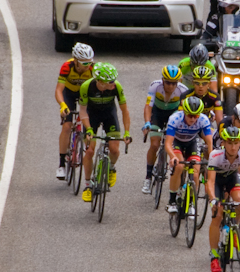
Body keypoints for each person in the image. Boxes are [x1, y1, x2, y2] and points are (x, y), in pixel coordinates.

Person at [205, 125, 240, 272]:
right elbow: (210, 182)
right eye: (229, 143)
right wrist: (213, 200)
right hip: (217, 181)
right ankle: (214, 256)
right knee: (218, 214)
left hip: (232, 177)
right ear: (223, 143)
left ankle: (234, 227)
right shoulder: (215, 155)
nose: (233, 147)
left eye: (236, 143)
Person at [79, 63, 131, 201]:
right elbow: (82, 111)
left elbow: (124, 111)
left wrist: (126, 132)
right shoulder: (86, 87)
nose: (114, 83)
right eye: (110, 81)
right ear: (100, 82)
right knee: (89, 151)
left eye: (114, 80)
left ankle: (111, 167)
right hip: (91, 116)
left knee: (114, 150)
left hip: (109, 115)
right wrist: (88, 129)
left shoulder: (116, 87)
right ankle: (88, 185)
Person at [141, 65, 189, 194]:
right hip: (157, 114)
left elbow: (184, 111)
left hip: (174, 115)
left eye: (174, 83)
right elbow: (148, 106)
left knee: (177, 146)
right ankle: (148, 177)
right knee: (155, 144)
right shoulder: (155, 86)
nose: (171, 86)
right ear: (162, 80)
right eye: (168, 82)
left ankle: (181, 181)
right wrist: (147, 123)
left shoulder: (183, 90)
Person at [164, 95, 213, 213]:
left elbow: (209, 142)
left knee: (195, 174)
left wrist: (212, 159)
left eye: (196, 116)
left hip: (192, 142)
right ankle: (172, 201)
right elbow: (168, 143)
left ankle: (191, 202)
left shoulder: (204, 120)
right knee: (179, 166)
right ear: (184, 112)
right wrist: (173, 157)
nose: (193, 119)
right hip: (177, 142)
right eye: (190, 115)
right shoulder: (175, 119)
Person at [54, 42, 94, 180]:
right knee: (67, 126)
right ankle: (61, 164)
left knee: (89, 126)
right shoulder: (67, 66)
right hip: (69, 93)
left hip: (85, 94)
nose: (87, 66)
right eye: (84, 63)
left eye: (89, 62)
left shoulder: (93, 68)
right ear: (76, 61)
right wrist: (62, 105)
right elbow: (59, 90)